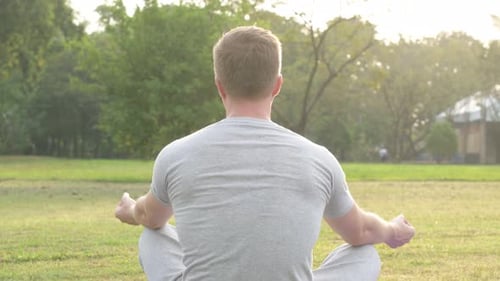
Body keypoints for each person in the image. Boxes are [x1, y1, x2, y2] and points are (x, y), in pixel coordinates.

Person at [115, 25, 415, 281]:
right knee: (366, 256)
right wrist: (390, 230)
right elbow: (360, 231)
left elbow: (148, 216)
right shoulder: (319, 159)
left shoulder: (175, 154)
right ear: (277, 86)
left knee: (152, 235)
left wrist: (129, 209)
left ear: (220, 87)